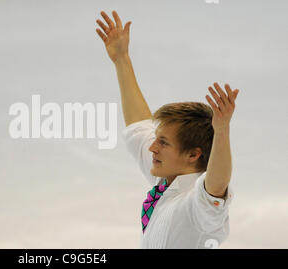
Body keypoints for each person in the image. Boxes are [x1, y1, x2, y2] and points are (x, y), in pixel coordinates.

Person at [95, 10, 240, 248]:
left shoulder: (197, 206)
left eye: (163, 142)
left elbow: (216, 185)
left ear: (194, 154)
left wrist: (222, 131)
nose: (152, 146)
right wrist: (122, 60)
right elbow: (138, 128)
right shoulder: (164, 178)